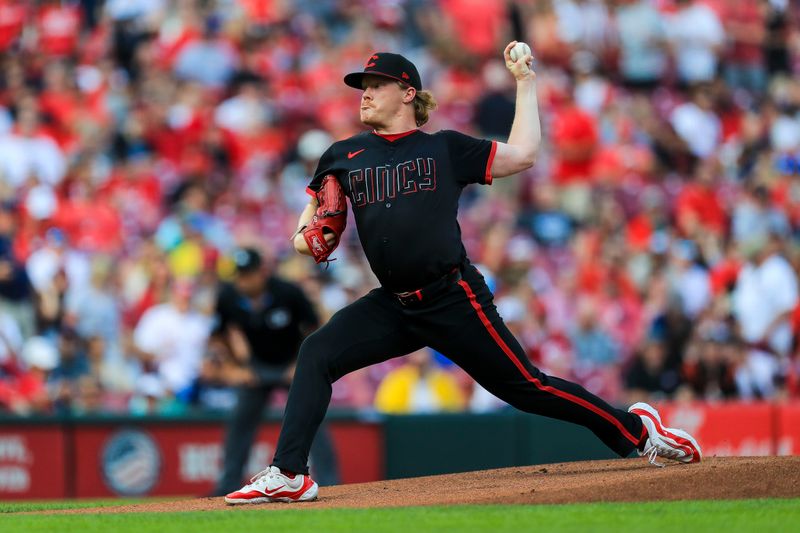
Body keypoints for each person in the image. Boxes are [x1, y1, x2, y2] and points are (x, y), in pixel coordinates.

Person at [224, 42, 702, 505]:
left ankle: (640, 430)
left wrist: (525, 82)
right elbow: (304, 228)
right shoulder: (343, 154)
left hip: (452, 297)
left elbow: (525, 154)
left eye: (376, 84)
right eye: (362, 86)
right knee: (316, 353)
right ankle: (289, 473)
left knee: (528, 389)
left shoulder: (445, 149)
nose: (364, 93)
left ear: (408, 92)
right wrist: (303, 239)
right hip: (393, 303)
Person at [210, 248, 340, 496]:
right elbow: (217, 337)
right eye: (239, 275)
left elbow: (315, 328)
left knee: (311, 417)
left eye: (247, 275)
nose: (242, 281)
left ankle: (331, 480)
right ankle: (227, 483)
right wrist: (235, 367)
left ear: (261, 273)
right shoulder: (228, 296)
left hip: (293, 362)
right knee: (240, 421)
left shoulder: (287, 292)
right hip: (257, 366)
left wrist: (302, 363)